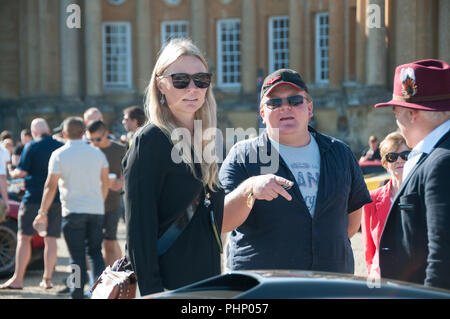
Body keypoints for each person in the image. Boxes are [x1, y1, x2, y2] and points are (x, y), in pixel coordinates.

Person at [219, 69, 371, 273]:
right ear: (263, 114)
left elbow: (351, 220)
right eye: (274, 103)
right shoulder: (243, 156)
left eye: (294, 101)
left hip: (330, 285)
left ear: (309, 108)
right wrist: (250, 189)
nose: (285, 108)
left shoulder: (340, 153)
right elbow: (222, 221)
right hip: (265, 289)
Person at [122, 38, 224, 296]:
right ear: (161, 84)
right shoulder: (150, 140)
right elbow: (139, 230)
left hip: (208, 283)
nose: (193, 88)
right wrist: (153, 293)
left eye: (201, 80)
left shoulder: (207, 139)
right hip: (169, 288)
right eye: (181, 80)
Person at [374, 59, 450, 289]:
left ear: (411, 114)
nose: (397, 121)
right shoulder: (435, 155)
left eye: (395, 111)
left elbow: (443, 254)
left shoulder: (441, 162)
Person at [33, 117, 110, 298]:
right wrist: (100, 201)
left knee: (76, 256)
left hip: (73, 211)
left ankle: (77, 292)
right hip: (95, 209)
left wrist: (42, 212)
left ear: (65, 134)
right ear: (84, 132)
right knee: (95, 253)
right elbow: (105, 182)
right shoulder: (98, 154)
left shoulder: (59, 154)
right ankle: (101, 292)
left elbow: (50, 186)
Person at [0, 118, 63, 290]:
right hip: (56, 198)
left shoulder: (31, 146)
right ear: (48, 129)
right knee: (51, 239)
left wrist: (11, 171)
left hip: (33, 197)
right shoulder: (58, 146)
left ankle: (18, 279)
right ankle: (47, 279)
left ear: (34, 132)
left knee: (24, 237)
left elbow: (21, 172)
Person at [361, 132, 410, 279]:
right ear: (385, 163)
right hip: (381, 279)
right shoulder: (371, 199)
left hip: (414, 281)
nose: (399, 160)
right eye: (392, 156)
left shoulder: (423, 194)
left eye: (405, 155)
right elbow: (369, 249)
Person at [86, 120, 126, 266]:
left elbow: (127, 172)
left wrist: (121, 182)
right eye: (91, 139)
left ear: (106, 135)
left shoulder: (120, 149)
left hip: (112, 203)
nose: (94, 143)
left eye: (97, 139)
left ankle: (114, 275)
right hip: (92, 204)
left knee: (110, 241)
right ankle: (96, 277)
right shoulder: (88, 151)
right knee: (92, 244)